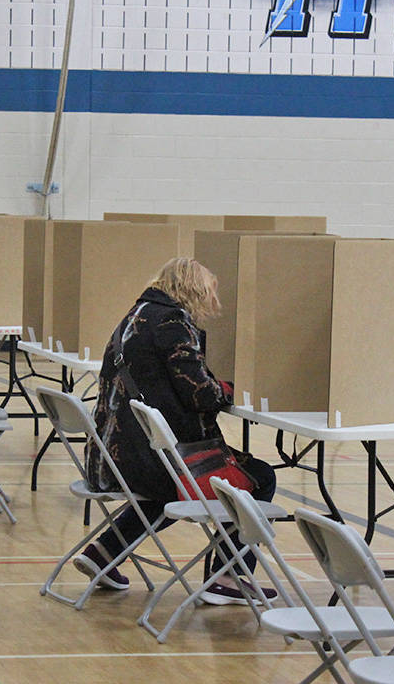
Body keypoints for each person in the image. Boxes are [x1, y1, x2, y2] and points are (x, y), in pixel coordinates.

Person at [78, 257, 276, 604]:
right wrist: (229, 388)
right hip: (143, 461)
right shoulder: (172, 321)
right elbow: (200, 394)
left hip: (111, 454)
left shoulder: (135, 316)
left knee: (168, 484)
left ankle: (104, 550)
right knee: (258, 477)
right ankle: (229, 576)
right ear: (194, 289)